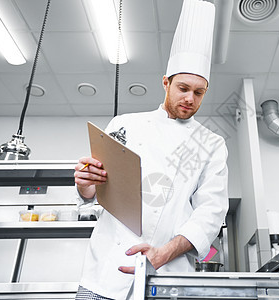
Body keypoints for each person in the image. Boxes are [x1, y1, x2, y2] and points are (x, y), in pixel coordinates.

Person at [74, 1, 228, 299]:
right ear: (165, 82)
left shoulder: (211, 144)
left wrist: (164, 253)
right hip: (105, 271)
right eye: (183, 88)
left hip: (168, 277)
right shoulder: (126, 124)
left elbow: (211, 212)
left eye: (199, 93)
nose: (190, 99)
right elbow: (96, 191)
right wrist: (85, 185)